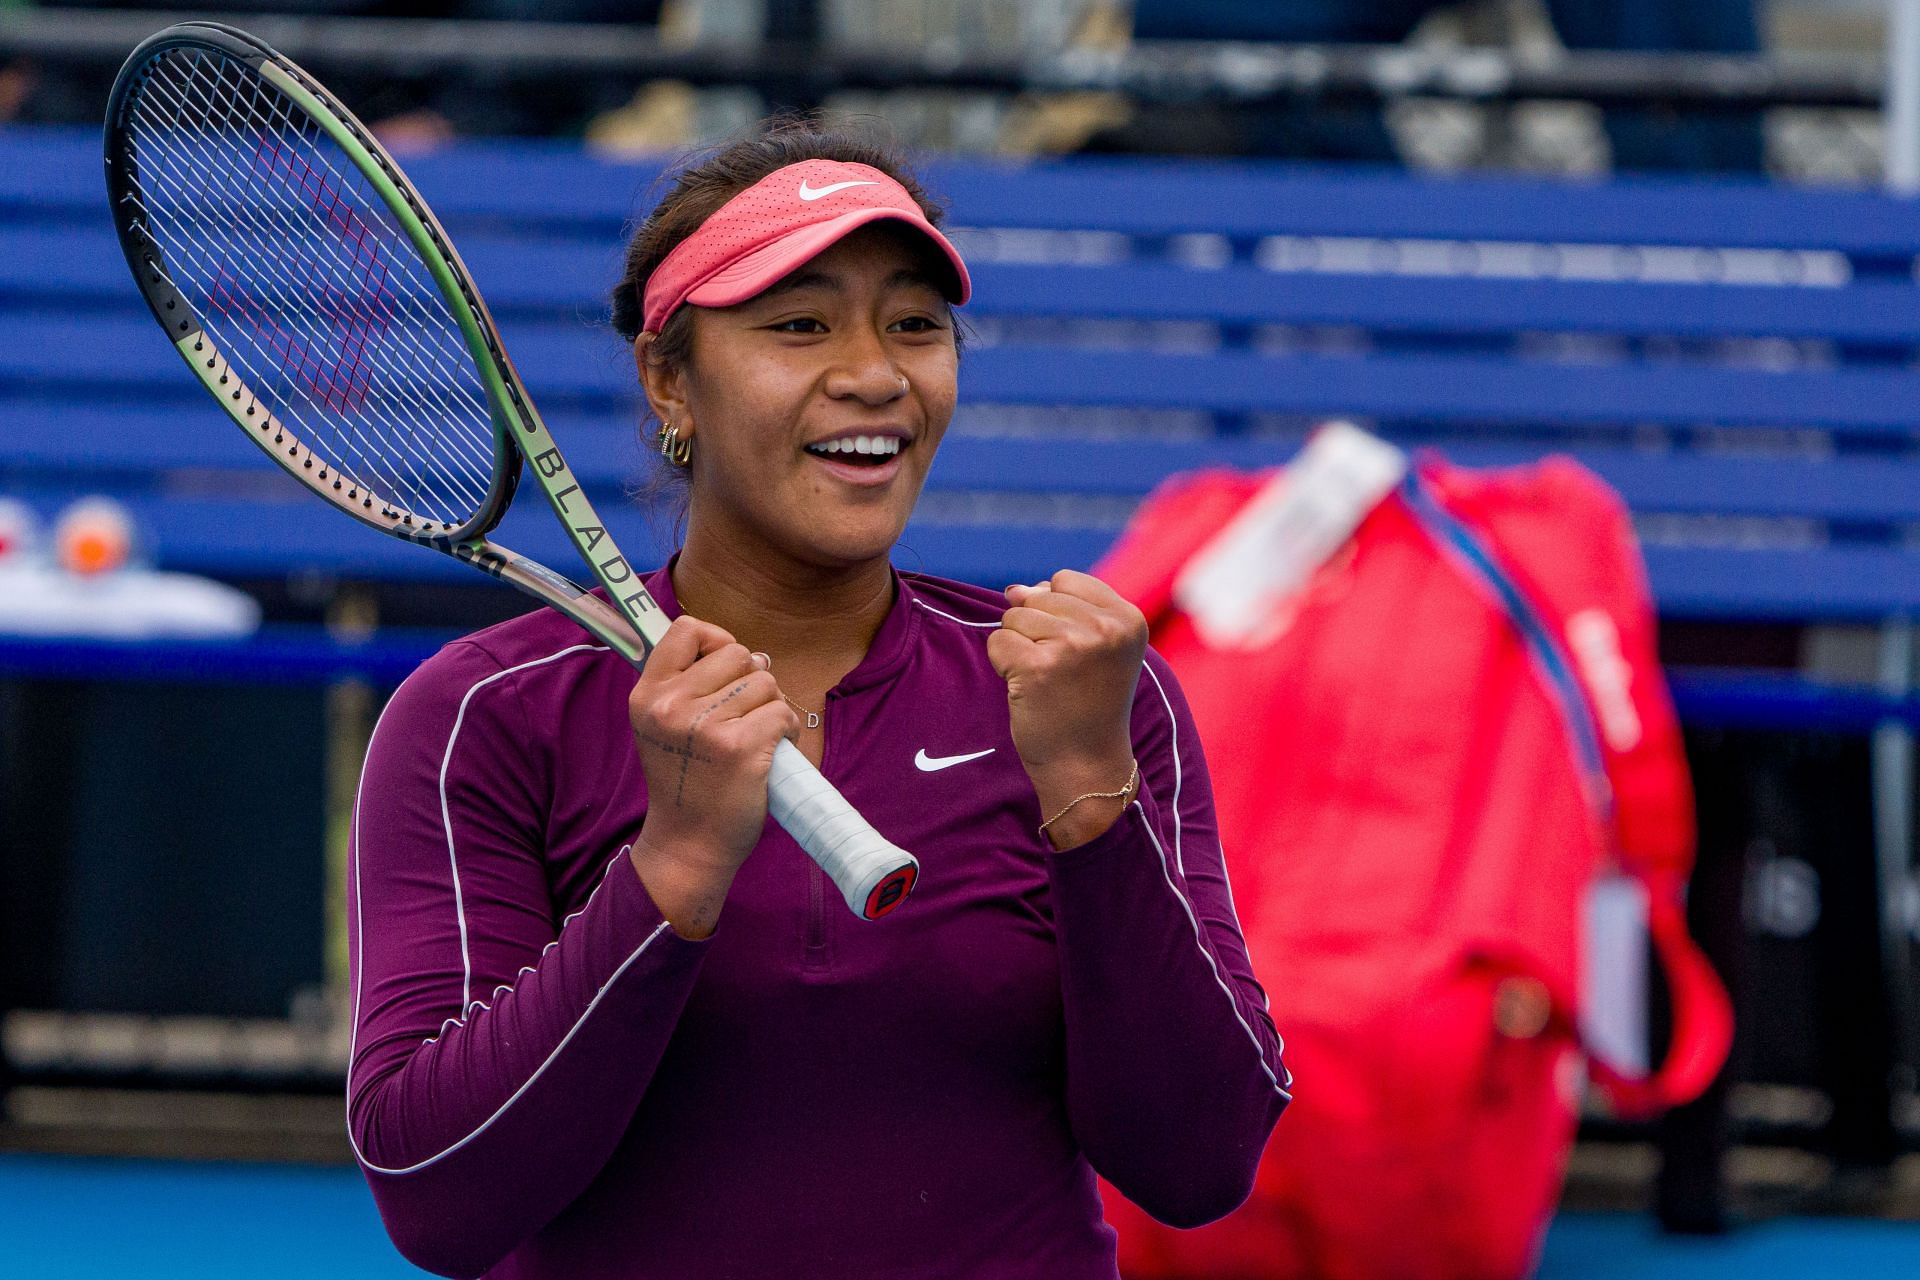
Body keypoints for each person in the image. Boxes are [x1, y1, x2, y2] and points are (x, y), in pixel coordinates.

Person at [346, 118, 1288, 1279]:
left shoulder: (1092, 695)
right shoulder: (484, 715)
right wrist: (675, 868)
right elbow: (439, 1197)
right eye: (799, 325)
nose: (876, 374)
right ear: (668, 378)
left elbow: (1199, 1163)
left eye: (915, 325)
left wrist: (1095, 805)